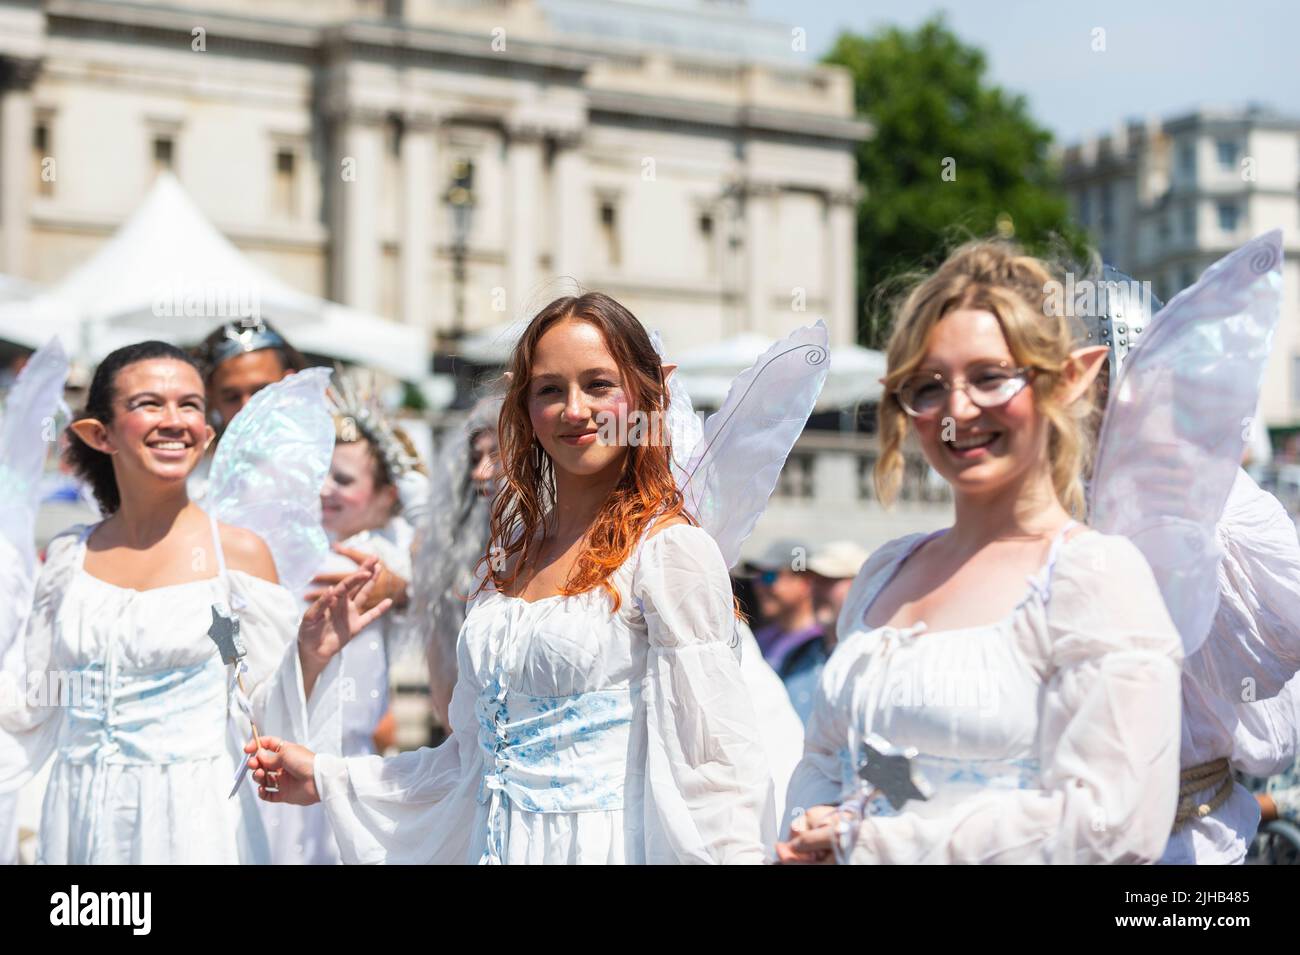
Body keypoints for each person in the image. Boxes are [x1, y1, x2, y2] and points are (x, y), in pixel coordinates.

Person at [247, 293, 774, 864]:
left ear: (649, 395)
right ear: (522, 405)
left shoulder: (671, 551)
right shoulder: (508, 561)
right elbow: (471, 762)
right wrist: (329, 777)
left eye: (599, 385)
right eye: (550, 389)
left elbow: (717, 769)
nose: (575, 410)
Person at [779, 239, 1183, 864]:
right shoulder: (887, 570)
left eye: (991, 377)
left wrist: (877, 842)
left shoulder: (1093, 576)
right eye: (929, 386)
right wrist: (821, 827)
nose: (958, 410)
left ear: (1068, 379)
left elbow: (1111, 825)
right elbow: (841, 760)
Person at [0, 340, 391, 863]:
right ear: (100, 433)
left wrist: (311, 656)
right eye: (148, 404)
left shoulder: (239, 556)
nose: (173, 420)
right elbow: (28, 704)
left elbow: (266, 720)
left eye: (188, 404)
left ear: (206, 434)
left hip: (193, 824)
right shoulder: (71, 556)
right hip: (79, 817)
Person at [746, 540, 827, 724]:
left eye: (769, 577)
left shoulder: (822, 645)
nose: (759, 586)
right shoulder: (759, 638)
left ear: (805, 582)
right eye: (756, 577)